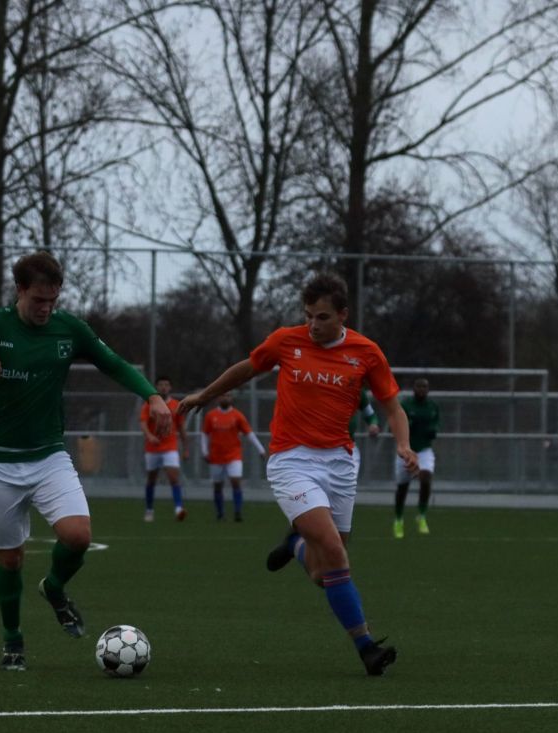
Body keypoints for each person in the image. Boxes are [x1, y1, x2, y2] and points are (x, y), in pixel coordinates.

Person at [0, 251, 171, 672]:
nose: (46, 308)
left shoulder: (69, 329)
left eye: (52, 300)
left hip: (48, 456)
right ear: (20, 290)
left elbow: (114, 364)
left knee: (78, 536)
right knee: (10, 559)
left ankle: (55, 587)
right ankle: (13, 638)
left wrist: (152, 396)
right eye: (38, 300)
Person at [178, 272, 418, 676]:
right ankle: (366, 647)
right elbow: (247, 368)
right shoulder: (286, 341)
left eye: (322, 317)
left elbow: (392, 407)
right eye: (308, 316)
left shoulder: (366, 352)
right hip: (292, 461)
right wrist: (205, 395)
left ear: (343, 315)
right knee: (335, 551)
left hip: (340, 463)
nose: (313, 325)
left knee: (326, 572)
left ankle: (295, 546)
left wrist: (404, 444)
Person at [200, 391, 266, 521]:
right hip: (216, 456)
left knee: (236, 482)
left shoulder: (237, 415)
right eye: (223, 395)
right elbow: (205, 434)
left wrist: (261, 449)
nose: (225, 398)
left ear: (231, 398)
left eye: (228, 395)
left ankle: (237, 512)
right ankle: (220, 513)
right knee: (217, 485)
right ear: (218, 398)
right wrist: (204, 452)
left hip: (233, 455)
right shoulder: (211, 415)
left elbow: (249, 433)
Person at [392, 377, 440, 538]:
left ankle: (422, 515)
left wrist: (433, 430)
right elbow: (396, 423)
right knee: (403, 487)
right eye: (419, 386)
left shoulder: (432, 406)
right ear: (414, 388)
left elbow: (436, 424)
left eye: (424, 387)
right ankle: (398, 519)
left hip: (424, 450)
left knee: (426, 478)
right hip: (406, 450)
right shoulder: (406, 405)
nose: (421, 389)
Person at [140, 375, 187, 522]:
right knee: (151, 480)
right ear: (156, 387)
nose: (163, 388)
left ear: (170, 387)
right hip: (152, 448)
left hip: (170, 447)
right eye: (161, 385)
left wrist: (186, 448)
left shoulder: (176, 405)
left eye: (166, 385)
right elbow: (143, 423)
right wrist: (150, 436)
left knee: (173, 478)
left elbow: (181, 427)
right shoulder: (150, 404)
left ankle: (178, 508)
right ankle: (149, 510)